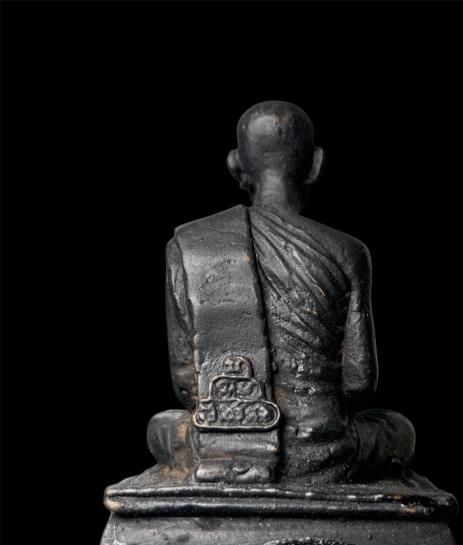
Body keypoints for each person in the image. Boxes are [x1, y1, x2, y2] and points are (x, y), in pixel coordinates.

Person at [148, 101, 415, 484]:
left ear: (235, 165)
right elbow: (359, 383)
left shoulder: (191, 245)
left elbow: (187, 386)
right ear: (316, 164)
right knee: (398, 429)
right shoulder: (349, 251)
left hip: (219, 443)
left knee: (163, 426)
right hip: (326, 448)